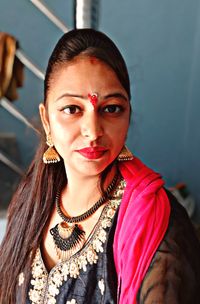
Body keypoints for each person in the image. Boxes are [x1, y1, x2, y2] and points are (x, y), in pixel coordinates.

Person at [0, 28, 200, 304]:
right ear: (46, 120)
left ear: (128, 115)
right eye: (72, 109)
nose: (93, 131)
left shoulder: (159, 224)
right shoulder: (29, 201)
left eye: (111, 108)